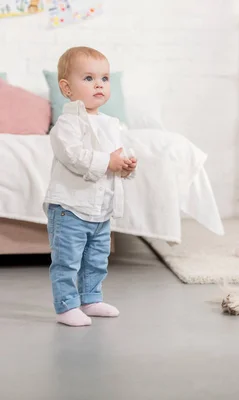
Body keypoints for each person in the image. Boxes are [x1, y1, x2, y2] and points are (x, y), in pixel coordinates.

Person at [43, 46, 137, 327]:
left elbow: (117, 156)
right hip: (70, 207)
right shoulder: (67, 123)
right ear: (66, 88)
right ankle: (66, 306)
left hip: (100, 209)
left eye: (105, 78)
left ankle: (91, 299)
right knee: (67, 260)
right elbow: (73, 156)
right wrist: (108, 161)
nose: (99, 84)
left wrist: (126, 166)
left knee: (96, 259)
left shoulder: (112, 124)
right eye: (88, 78)